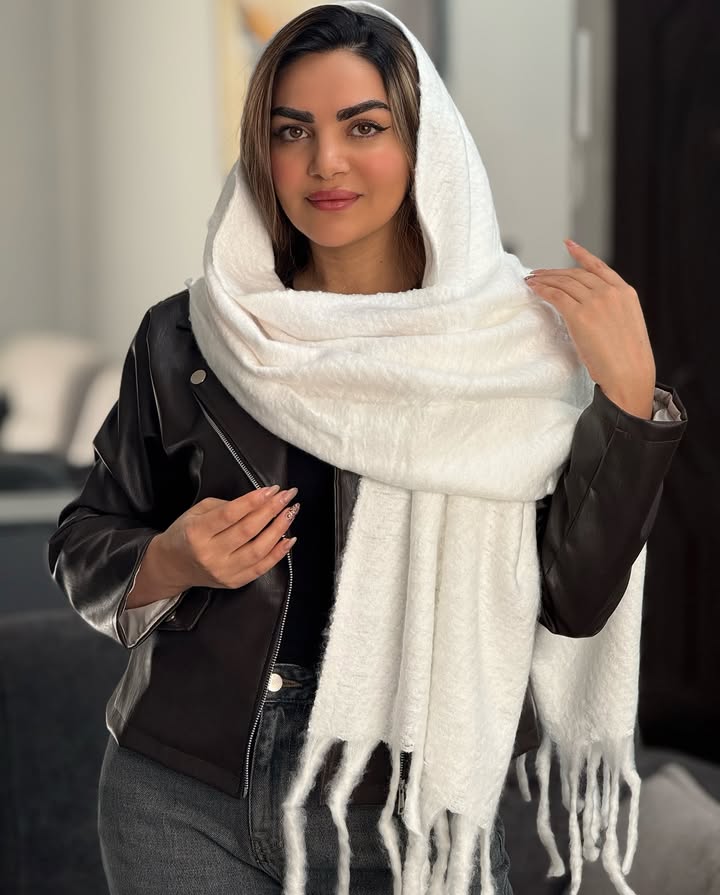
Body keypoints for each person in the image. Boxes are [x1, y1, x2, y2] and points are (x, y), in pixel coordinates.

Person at [48, 3, 687, 894]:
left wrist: (628, 402)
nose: (326, 162)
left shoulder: (516, 349)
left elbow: (573, 601)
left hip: (411, 813)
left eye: (364, 127)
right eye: (291, 131)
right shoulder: (189, 335)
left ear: (425, 142)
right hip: (182, 795)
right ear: (261, 151)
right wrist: (168, 559)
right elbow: (82, 541)